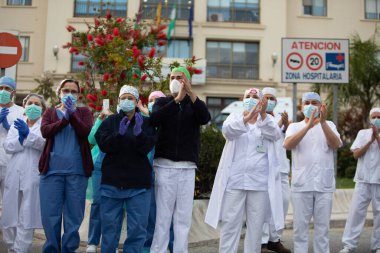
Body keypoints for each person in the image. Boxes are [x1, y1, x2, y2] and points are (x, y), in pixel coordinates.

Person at [205, 88, 284, 253]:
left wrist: (261, 115)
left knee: (255, 228)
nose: (251, 99)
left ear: (262, 101)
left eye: (255, 97)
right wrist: (247, 118)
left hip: (259, 184)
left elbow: (275, 134)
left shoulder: (268, 120)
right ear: (243, 100)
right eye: (248, 96)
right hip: (235, 182)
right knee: (230, 225)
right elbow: (228, 131)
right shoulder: (235, 117)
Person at [150, 67, 211, 253]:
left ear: (188, 80)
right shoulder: (162, 102)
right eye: (173, 77)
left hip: (187, 168)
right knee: (163, 217)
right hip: (164, 166)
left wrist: (190, 93)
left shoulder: (194, 104)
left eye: (180, 77)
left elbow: (205, 118)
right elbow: (154, 119)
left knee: (183, 217)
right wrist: (176, 100)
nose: (176, 80)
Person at [95, 85, 156, 253]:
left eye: (131, 98)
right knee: (109, 230)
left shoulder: (146, 123)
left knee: (137, 230)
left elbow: (147, 147)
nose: (127, 101)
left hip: (138, 186)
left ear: (137, 102)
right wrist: (118, 135)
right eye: (124, 98)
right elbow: (103, 145)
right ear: (119, 101)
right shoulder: (110, 121)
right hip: (111, 184)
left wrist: (139, 134)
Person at [39, 79, 94, 253]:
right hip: (51, 172)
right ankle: (52, 249)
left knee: (74, 217)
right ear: (59, 93)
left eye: (73, 91)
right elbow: (45, 131)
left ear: (79, 94)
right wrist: (65, 119)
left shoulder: (84, 112)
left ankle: (69, 249)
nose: (69, 94)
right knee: (50, 216)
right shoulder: (50, 112)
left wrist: (73, 115)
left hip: (76, 173)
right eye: (65, 91)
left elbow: (85, 131)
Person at [283, 92, 342, 253]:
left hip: (324, 185)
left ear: (321, 106)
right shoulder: (294, 126)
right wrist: (308, 126)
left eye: (314, 102)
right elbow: (287, 144)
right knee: (300, 229)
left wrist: (322, 123)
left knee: (323, 229)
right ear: (302, 107)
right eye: (307, 102)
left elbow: (336, 144)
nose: (310, 106)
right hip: (302, 186)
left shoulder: (329, 124)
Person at [1, 93, 46, 253]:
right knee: (10, 211)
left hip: (32, 174)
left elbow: (43, 144)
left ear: (42, 108)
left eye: (37, 104)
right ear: (25, 106)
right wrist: (20, 139)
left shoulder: (44, 125)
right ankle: (11, 245)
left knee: (27, 214)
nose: (33, 106)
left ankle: (20, 249)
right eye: (30, 103)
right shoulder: (16, 124)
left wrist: (28, 135)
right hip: (14, 172)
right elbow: (8, 146)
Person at [339, 107, 380, 253]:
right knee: (356, 213)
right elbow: (356, 154)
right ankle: (349, 245)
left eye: (379, 117)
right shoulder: (363, 134)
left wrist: (378, 138)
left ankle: (378, 245)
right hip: (363, 180)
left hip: (379, 181)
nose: (377, 119)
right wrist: (370, 141)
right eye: (374, 117)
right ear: (370, 119)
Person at [142, 90, 175, 253]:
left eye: (157, 101)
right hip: (147, 175)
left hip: (167, 171)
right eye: (151, 100)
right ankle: (148, 247)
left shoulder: (169, 124)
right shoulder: (143, 123)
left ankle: (170, 245)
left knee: (168, 212)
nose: (154, 104)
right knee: (149, 213)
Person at [261, 87, 291, 253]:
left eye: (272, 99)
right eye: (267, 98)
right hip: (266, 169)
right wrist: (280, 125)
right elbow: (268, 134)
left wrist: (287, 126)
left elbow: (285, 140)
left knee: (283, 203)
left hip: (282, 168)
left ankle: (275, 239)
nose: (270, 101)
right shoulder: (258, 117)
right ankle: (263, 242)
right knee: (266, 206)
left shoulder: (278, 118)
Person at [86, 109, 119, 253]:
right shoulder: (103, 121)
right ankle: (93, 242)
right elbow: (91, 139)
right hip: (99, 167)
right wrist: (101, 119)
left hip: (118, 168)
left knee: (117, 206)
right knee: (98, 203)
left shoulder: (124, 122)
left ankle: (113, 243)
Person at [0, 76, 24, 215]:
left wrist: (9, 128)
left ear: (13, 92)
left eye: (7, 88)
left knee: (9, 199)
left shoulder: (20, 112)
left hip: (11, 161)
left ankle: (7, 233)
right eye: (1, 88)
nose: (3, 91)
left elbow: (25, 135)